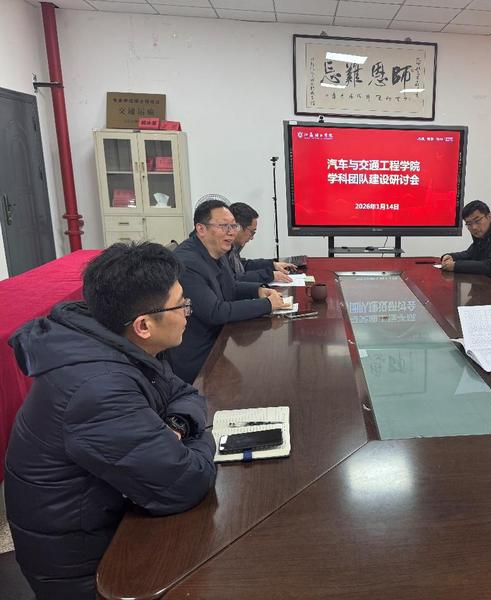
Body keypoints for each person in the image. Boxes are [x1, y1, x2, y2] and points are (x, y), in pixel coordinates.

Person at [4, 242, 217, 599]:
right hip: (86, 567)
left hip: (111, 517)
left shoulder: (115, 340)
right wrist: (203, 434)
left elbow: (185, 394)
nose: (187, 314)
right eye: (182, 305)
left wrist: (178, 427)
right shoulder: (98, 388)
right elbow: (186, 484)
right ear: (144, 325)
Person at [171, 198, 288, 383]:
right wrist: (267, 305)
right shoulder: (187, 263)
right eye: (224, 226)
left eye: (234, 226)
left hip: (219, 339)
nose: (231, 232)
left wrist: (258, 291)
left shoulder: (218, 250)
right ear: (201, 229)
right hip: (198, 357)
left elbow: (230, 286)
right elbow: (215, 312)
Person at [228, 201, 297, 285]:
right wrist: (270, 275)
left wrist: (273, 265)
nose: (252, 238)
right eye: (252, 232)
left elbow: (242, 266)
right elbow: (233, 279)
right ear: (238, 227)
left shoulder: (234, 248)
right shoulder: (222, 250)